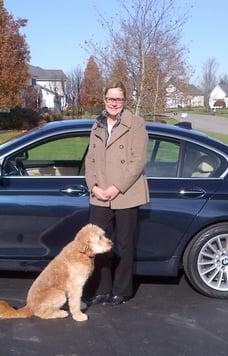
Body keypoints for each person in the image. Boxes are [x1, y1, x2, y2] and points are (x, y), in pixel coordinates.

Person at [84, 80, 149, 306]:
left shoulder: (136, 124)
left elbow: (137, 162)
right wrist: (93, 186)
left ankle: (121, 290)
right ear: (104, 100)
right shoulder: (98, 125)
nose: (114, 103)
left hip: (126, 193)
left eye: (119, 99)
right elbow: (90, 160)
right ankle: (101, 289)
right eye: (111, 99)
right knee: (97, 244)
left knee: (124, 245)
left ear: (124, 100)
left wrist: (115, 187)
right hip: (99, 194)